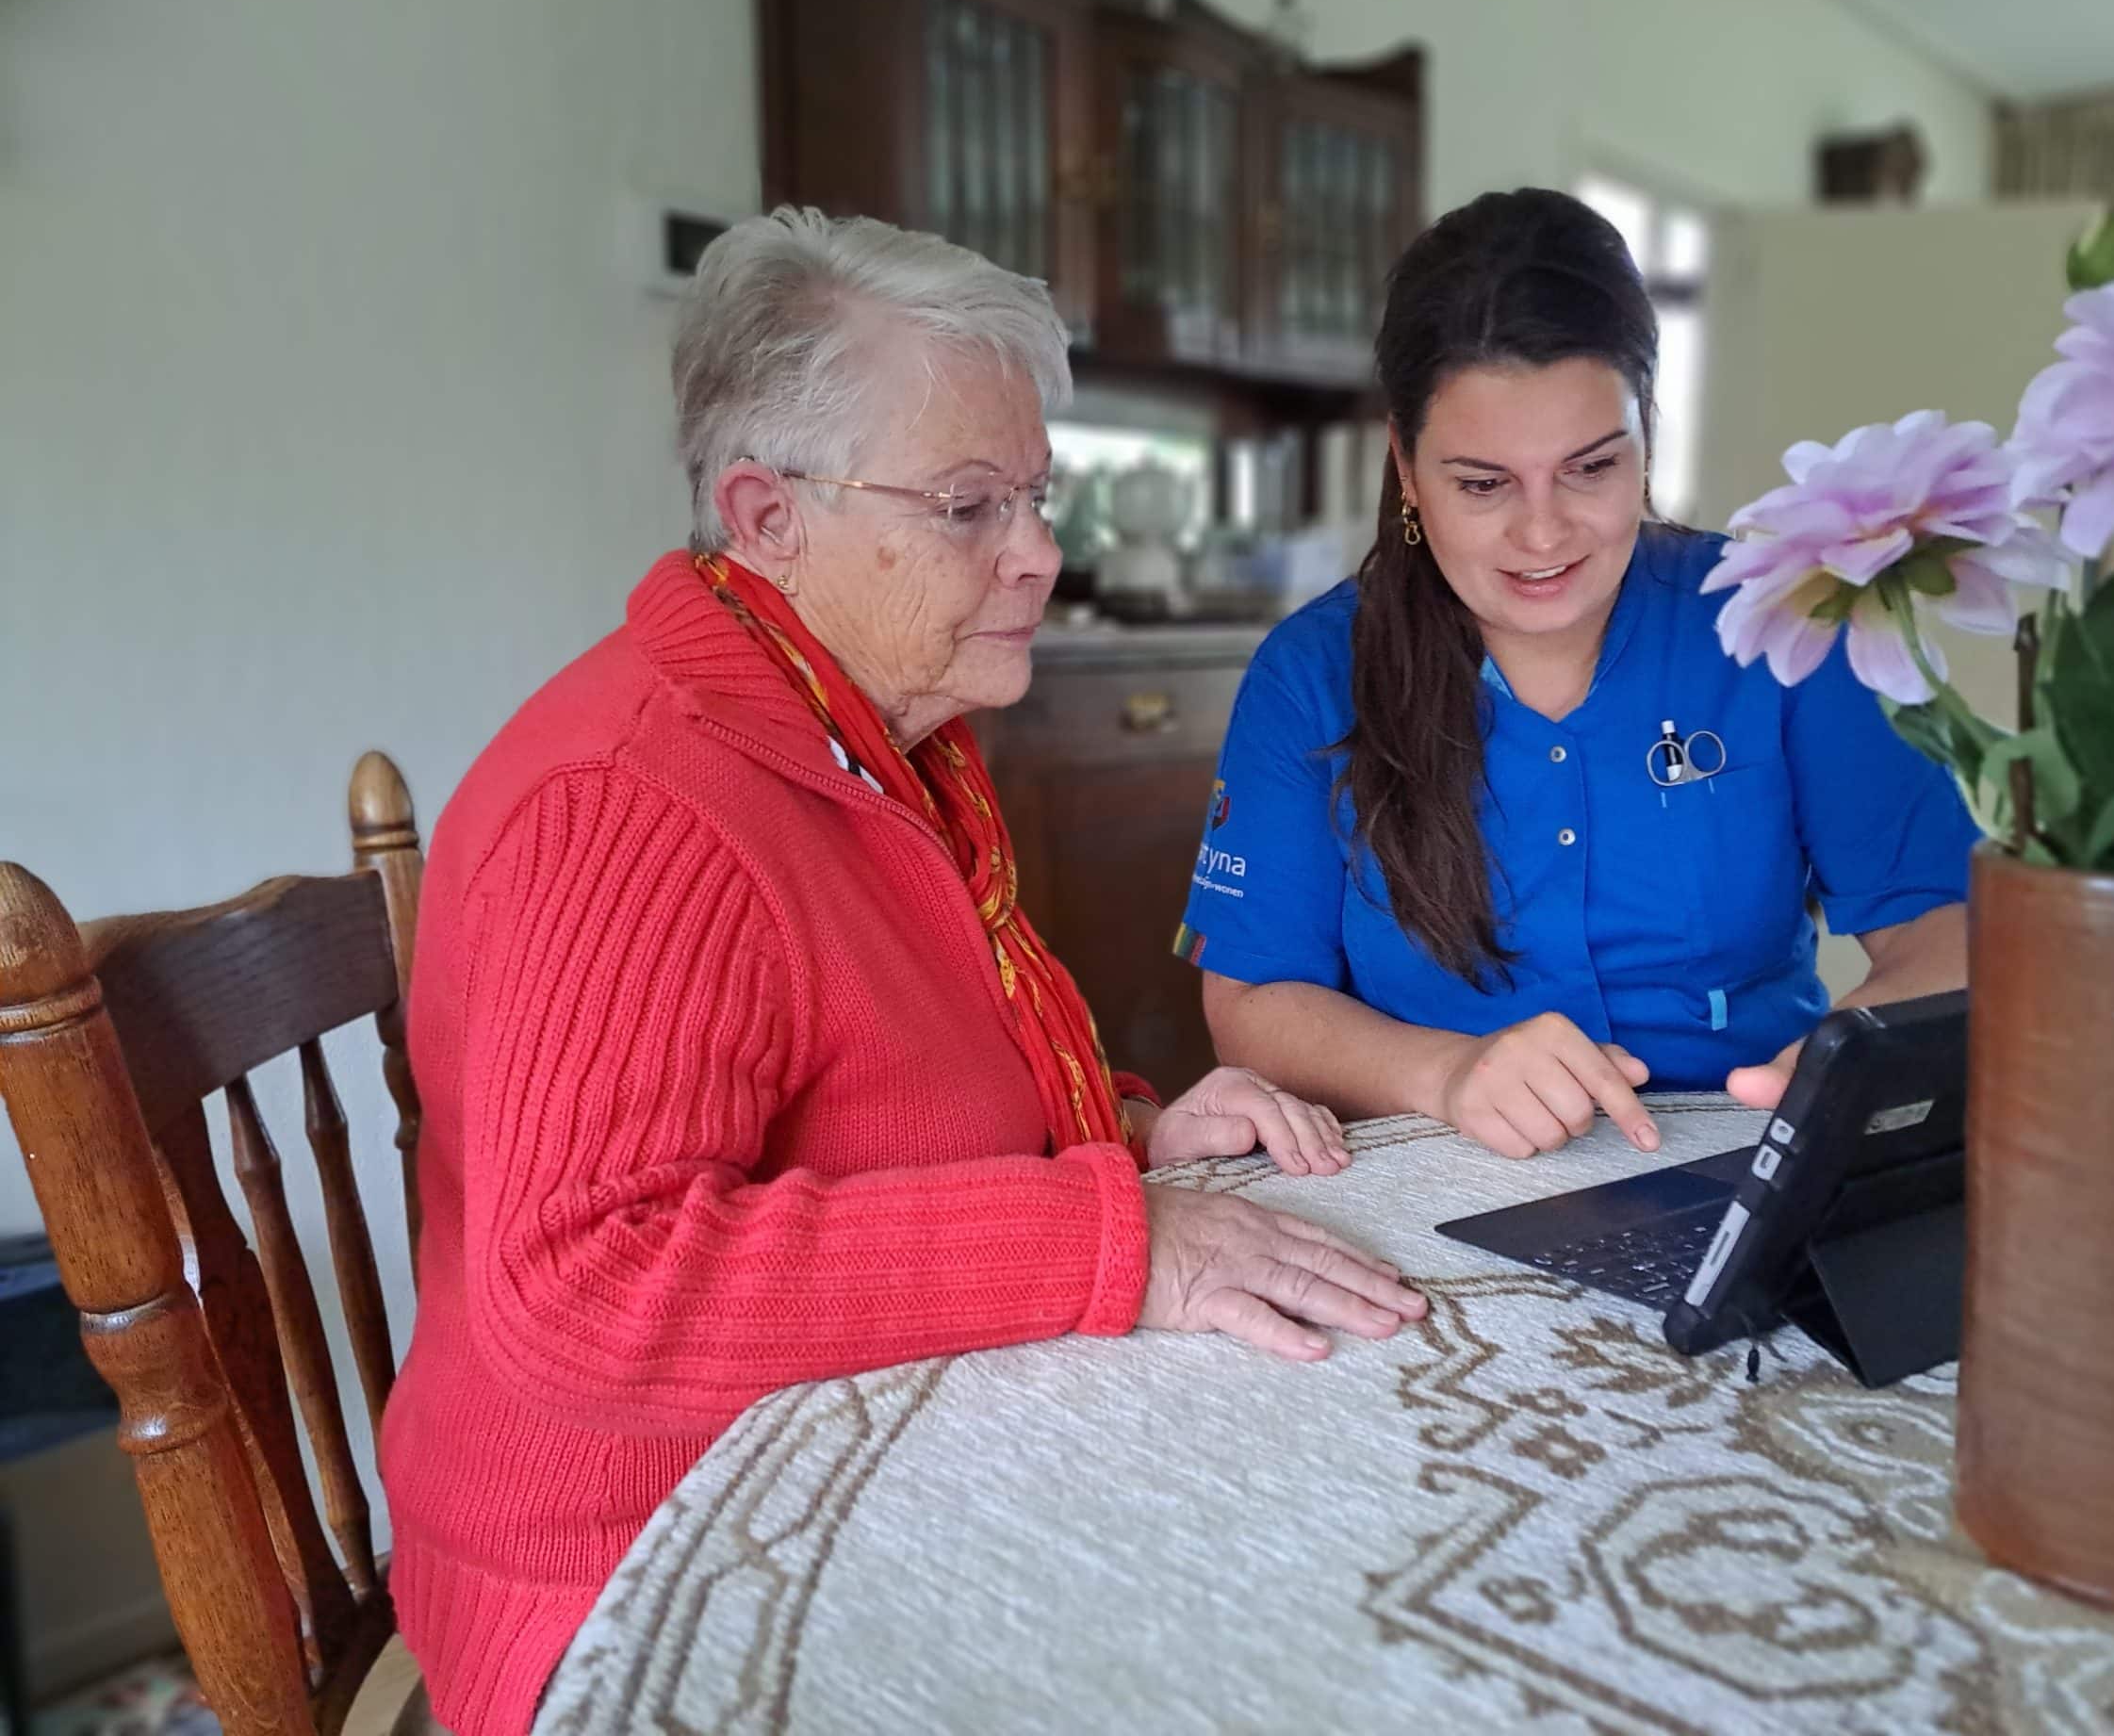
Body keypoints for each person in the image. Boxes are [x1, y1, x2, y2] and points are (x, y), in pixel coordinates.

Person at [380, 208, 1425, 1735]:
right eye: (968, 506)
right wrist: (1110, 1243)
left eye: (1035, 497)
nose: (1041, 554)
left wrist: (1123, 1134)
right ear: (766, 512)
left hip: (846, 1453)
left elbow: (880, 1088)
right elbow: (581, 1291)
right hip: (636, 1572)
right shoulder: (631, 801)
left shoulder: (870, 733)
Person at [1176, 188, 1973, 1161]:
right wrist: (1448, 1074)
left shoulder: (1781, 621)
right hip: (1428, 1161)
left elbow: (1944, 926)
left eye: (1591, 469)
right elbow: (1252, 999)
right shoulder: (1308, 674)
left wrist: (1837, 1063)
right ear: (1405, 464)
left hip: (1745, 1146)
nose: (1544, 534)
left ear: (1646, 434)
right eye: (1482, 484)